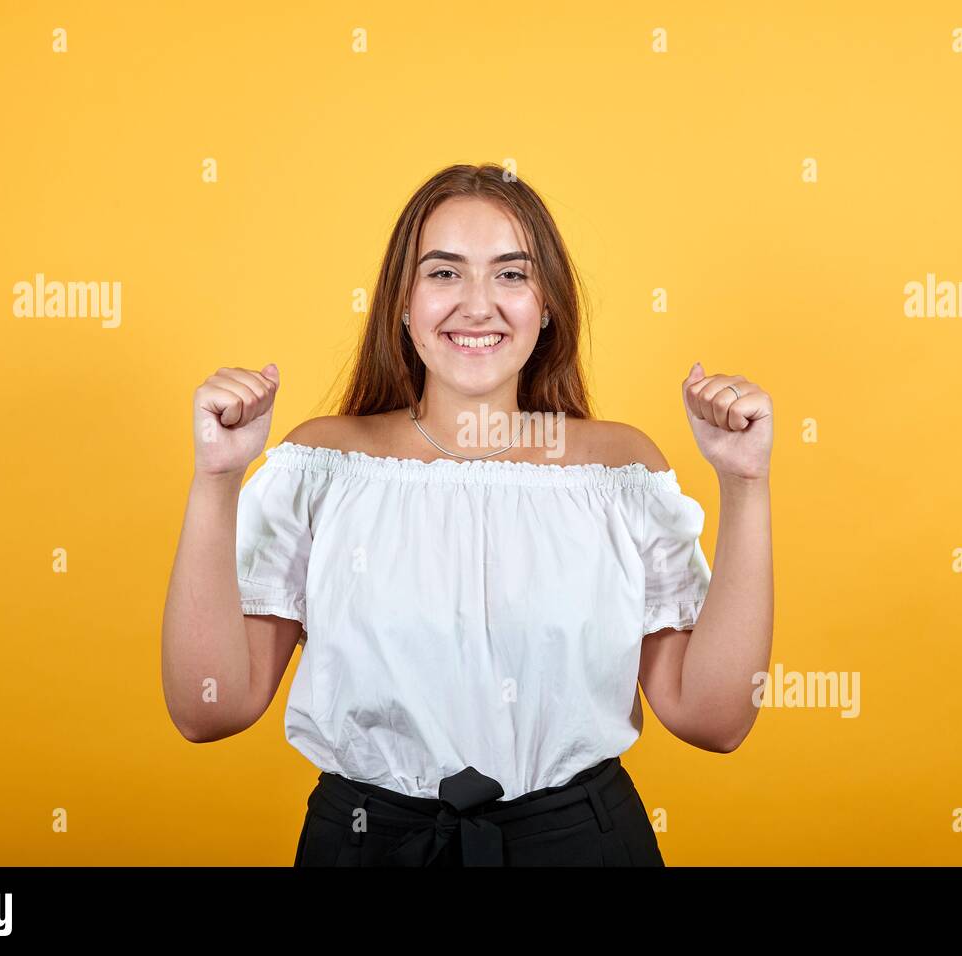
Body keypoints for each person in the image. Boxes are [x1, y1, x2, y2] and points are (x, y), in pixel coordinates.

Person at [161, 163, 775, 866]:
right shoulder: (321, 465)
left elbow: (716, 719)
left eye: (511, 275)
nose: (477, 304)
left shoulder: (618, 471)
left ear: (547, 305)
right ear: (403, 300)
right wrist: (217, 479)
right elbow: (207, 710)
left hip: (580, 850)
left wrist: (744, 482)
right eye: (444, 273)